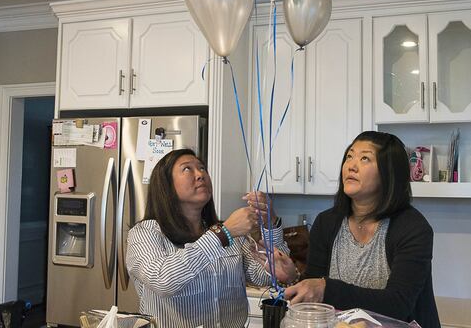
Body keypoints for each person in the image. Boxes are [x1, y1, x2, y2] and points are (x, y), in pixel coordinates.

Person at [284, 131, 441, 328]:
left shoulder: (413, 228)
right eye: (349, 156)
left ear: (389, 172)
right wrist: (294, 277)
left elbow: (398, 304)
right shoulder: (326, 223)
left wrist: (327, 288)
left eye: (365, 158)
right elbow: (314, 294)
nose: (351, 165)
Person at [126, 148, 295, 328]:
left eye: (202, 168)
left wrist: (271, 223)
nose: (200, 174)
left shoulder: (229, 232)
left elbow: (261, 275)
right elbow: (163, 281)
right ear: (165, 185)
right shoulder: (145, 232)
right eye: (187, 169)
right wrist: (222, 234)